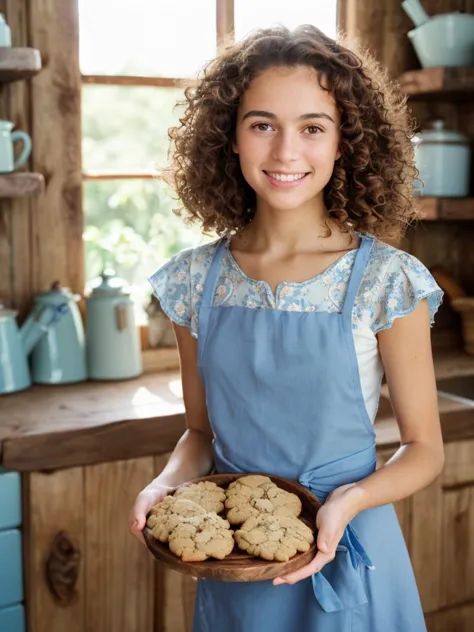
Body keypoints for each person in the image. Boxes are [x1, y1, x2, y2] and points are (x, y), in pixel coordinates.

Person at [130, 24, 445, 632]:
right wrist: (166, 486)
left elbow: (424, 448)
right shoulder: (195, 282)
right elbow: (199, 433)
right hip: (240, 563)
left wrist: (349, 501)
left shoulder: (387, 280)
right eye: (262, 124)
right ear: (229, 138)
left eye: (313, 128)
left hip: (349, 547)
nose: (285, 153)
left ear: (345, 142)